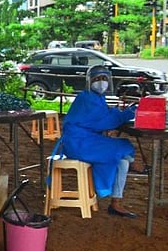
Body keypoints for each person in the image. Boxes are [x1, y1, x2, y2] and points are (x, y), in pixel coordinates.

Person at [58, 65, 140, 218]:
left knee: (122, 162)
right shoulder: (86, 98)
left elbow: (103, 116)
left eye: (104, 79)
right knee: (123, 145)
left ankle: (115, 203)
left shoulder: (97, 97)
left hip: (89, 140)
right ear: (90, 81)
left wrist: (118, 113)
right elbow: (105, 122)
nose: (101, 82)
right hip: (79, 143)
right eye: (97, 79)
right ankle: (135, 164)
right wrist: (127, 114)